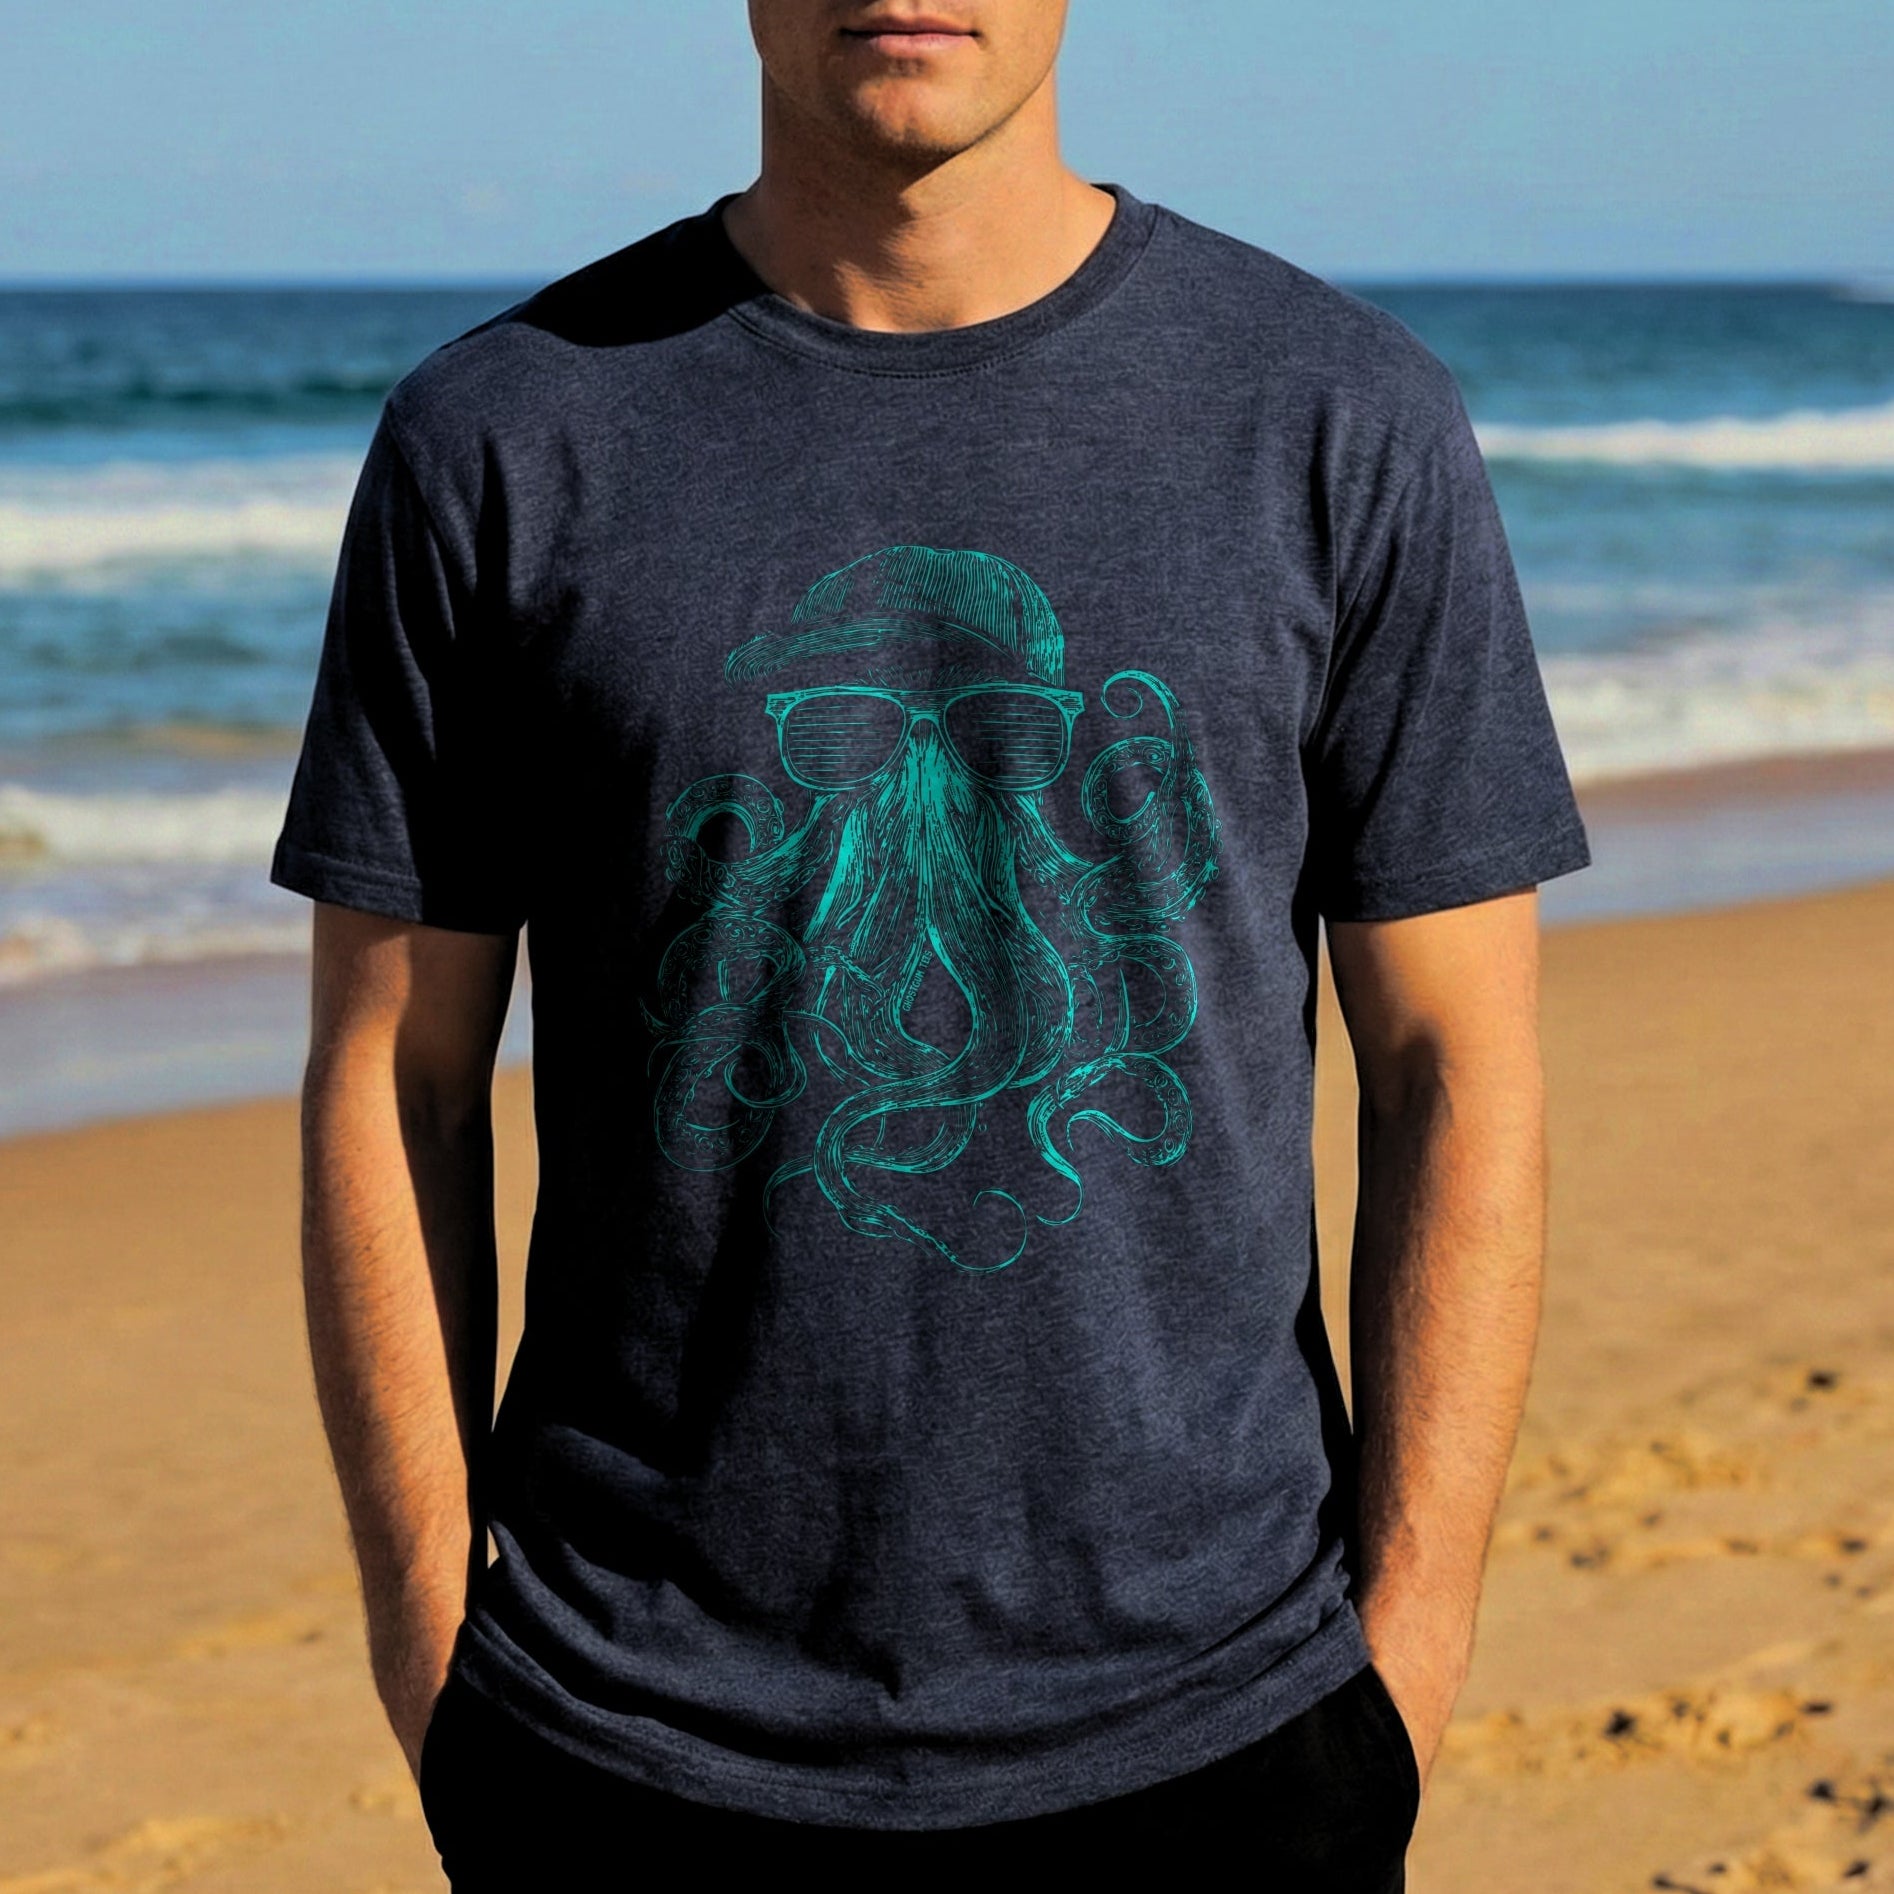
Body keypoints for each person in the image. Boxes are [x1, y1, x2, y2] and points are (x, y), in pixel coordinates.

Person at [270, 3, 1589, 1885]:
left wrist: (1406, 1654)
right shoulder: (501, 435)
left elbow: (1456, 1060)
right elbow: (394, 1073)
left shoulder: (1333, 415)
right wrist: (435, 1653)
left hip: (1230, 1717)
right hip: (618, 1729)